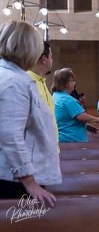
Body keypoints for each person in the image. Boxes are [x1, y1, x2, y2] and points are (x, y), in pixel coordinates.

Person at [0, 20, 61, 207]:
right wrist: (30, 182)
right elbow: (10, 135)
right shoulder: (14, 82)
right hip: (14, 181)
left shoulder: (11, 76)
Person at [52, 69, 99, 142]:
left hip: (61, 138)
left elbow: (64, 119)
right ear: (66, 83)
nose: (75, 83)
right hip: (72, 140)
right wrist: (97, 119)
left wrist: (85, 126)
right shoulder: (67, 100)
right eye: (73, 80)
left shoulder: (55, 96)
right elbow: (82, 117)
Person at [26, 42, 59, 147]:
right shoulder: (26, 82)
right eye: (51, 56)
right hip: (35, 155)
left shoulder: (41, 81)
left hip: (49, 152)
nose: (52, 60)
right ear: (44, 59)